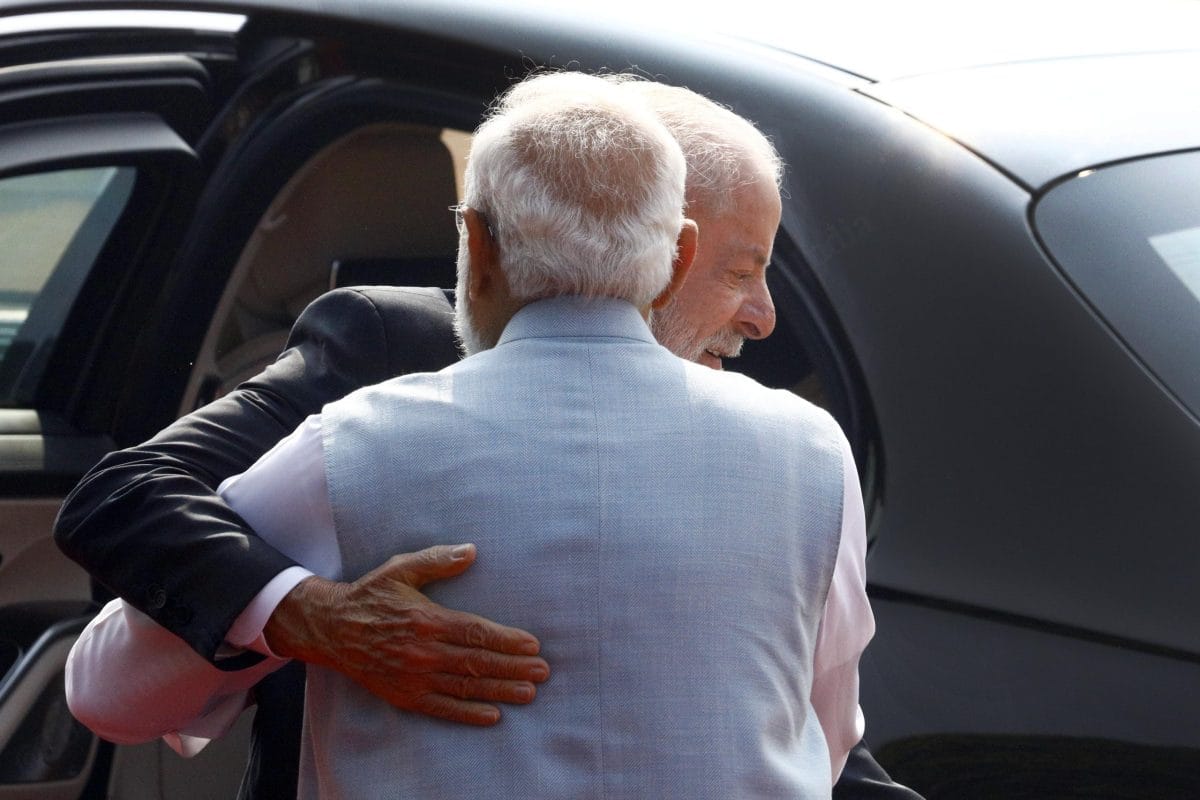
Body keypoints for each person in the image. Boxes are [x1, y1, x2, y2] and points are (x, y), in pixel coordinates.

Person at [56, 75, 921, 798]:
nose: (765, 317)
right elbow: (129, 502)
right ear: (669, 244)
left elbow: (796, 732)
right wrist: (308, 615)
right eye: (743, 270)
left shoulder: (784, 457)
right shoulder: (377, 377)